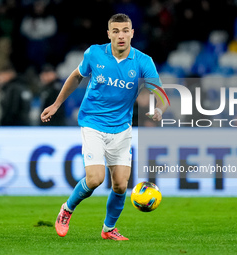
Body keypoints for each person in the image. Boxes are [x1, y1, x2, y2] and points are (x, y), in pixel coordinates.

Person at [41, 13, 168, 241]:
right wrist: (57, 103)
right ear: (108, 34)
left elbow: (161, 94)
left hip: (121, 128)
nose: (121, 35)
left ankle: (108, 229)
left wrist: (158, 110)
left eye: (125, 30)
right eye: (116, 31)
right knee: (95, 179)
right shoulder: (95, 53)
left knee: (120, 185)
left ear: (132, 33)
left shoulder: (143, 61)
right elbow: (75, 76)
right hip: (93, 123)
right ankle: (67, 209)